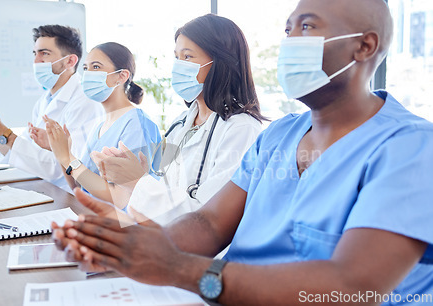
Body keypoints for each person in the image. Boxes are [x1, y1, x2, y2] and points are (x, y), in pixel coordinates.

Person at [53, 0, 433, 305]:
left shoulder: (410, 147)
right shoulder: (280, 135)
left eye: (307, 27)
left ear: (364, 46)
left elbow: (352, 288)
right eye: (287, 29)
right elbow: (210, 224)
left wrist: (179, 268)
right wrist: (126, 241)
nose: (289, 41)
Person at [90, 14, 264, 224]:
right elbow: (162, 183)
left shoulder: (241, 129)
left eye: (188, 57)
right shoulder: (180, 124)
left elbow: (210, 218)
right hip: (163, 237)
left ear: (220, 62)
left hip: (203, 252)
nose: (179, 66)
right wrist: (135, 173)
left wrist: (137, 181)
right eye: (177, 57)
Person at [0, 25, 103, 192]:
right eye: (35, 53)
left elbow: (65, 168)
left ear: (70, 61)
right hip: (48, 190)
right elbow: (28, 149)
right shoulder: (45, 101)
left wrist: (4, 133)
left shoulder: (85, 101)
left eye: (44, 53)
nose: (36, 61)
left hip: (70, 198)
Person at [44, 42, 161, 209]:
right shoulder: (101, 125)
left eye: (96, 67)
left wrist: (67, 158)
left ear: (121, 76)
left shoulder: (137, 124)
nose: (88, 74)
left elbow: (121, 198)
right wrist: (62, 152)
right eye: (85, 68)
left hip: (122, 228)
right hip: (91, 215)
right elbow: (80, 188)